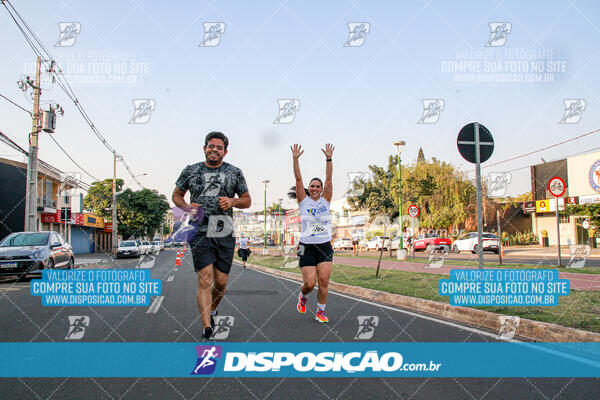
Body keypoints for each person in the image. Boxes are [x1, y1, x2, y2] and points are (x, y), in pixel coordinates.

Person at [173, 131, 251, 340]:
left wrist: (233, 202)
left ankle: (213, 309)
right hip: (199, 230)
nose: (214, 149)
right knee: (205, 278)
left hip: (224, 230)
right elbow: (176, 196)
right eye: (211, 146)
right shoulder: (191, 171)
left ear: (225, 152)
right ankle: (207, 325)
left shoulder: (235, 172)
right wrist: (187, 207)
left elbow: (247, 200)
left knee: (221, 282)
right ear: (204, 148)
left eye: (219, 147)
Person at [290, 143, 334, 324]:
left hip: (324, 245)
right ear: (309, 189)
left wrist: (329, 159)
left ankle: (320, 312)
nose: (315, 188)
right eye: (312, 186)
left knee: (323, 281)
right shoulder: (303, 201)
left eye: (318, 186)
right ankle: (303, 295)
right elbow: (298, 180)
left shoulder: (326, 200)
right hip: (305, 247)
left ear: (322, 189)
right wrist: (295, 159)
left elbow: (329, 179)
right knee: (310, 283)